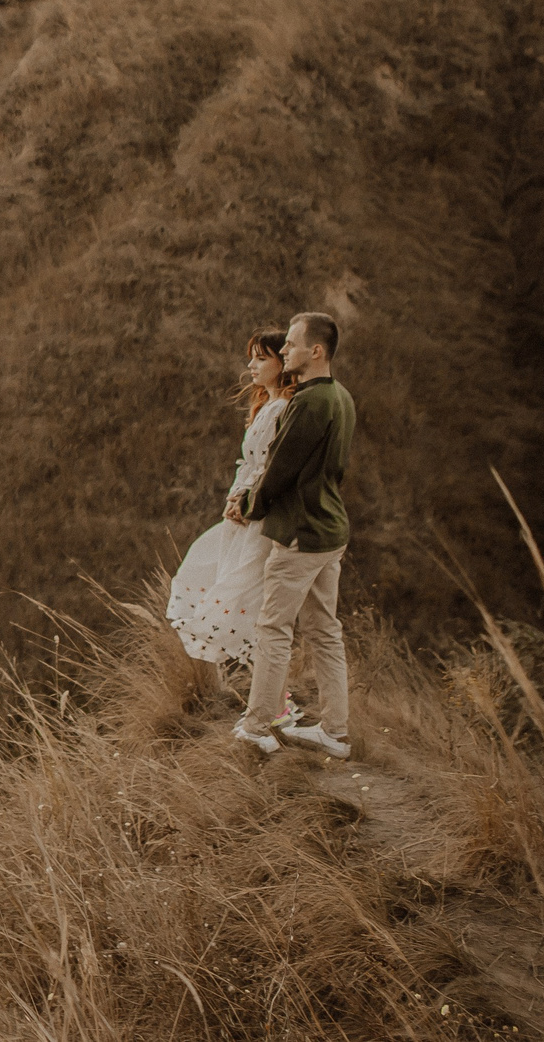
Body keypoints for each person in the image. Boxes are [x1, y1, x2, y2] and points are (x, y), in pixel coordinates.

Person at [231, 311, 356, 760]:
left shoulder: (308, 403)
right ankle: (335, 733)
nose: (284, 351)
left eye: (291, 345)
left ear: (316, 351)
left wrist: (246, 505)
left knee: (273, 629)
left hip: (301, 534)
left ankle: (256, 724)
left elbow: (279, 472)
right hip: (330, 529)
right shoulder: (341, 397)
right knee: (324, 630)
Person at [167, 331, 297, 703]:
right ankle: (269, 697)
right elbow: (250, 464)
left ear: (281, 363)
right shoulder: (267, 406)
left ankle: (276, 700)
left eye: (260, 358)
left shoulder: (285, 408)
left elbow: (272, 468)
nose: (250, 366)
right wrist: (234, 497)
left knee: (252, 601)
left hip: (259, 519)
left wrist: (245, 500)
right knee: (206, 573)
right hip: (241, 516)